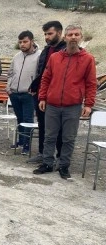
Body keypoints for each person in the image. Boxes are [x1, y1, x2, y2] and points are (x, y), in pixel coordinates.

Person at [33, 24, 96, 179]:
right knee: (49, 136)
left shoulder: (88, 59)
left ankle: (64, 166)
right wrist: (42, 97)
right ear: (65, 37)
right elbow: (46, 78)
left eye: (76, 34)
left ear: (81, 37)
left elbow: (91, 83)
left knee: (68, 138)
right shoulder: (55, 58)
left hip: (72, 106)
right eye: (70, 35)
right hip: (52, 104)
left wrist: (88, 104)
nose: (73, 37)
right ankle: (47, 163)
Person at [27, 21, 66, 164]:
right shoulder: (46, 50)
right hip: (42, 95)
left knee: (59, 128)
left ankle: (60, 157)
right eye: (45, 34)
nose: (47, 37)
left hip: (57, 96)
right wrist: (35, 87)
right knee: (42, 125)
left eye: (50, 33)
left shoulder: (66, 51)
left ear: (59, 33)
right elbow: (42, 72)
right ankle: (43, 154)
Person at [6, 30, 41, 155]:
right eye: (20, 42)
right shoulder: (17, 56)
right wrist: (9, 87)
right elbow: (10, 73)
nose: (22, 44)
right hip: (15, 93)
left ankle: (27, 145)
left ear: (32, 41)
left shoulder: (39, 56)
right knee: (20, 119)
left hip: (29, 94)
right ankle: (20, 141)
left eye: (25, 42)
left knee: (28, 119)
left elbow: (40, 75)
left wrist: (35, 90)